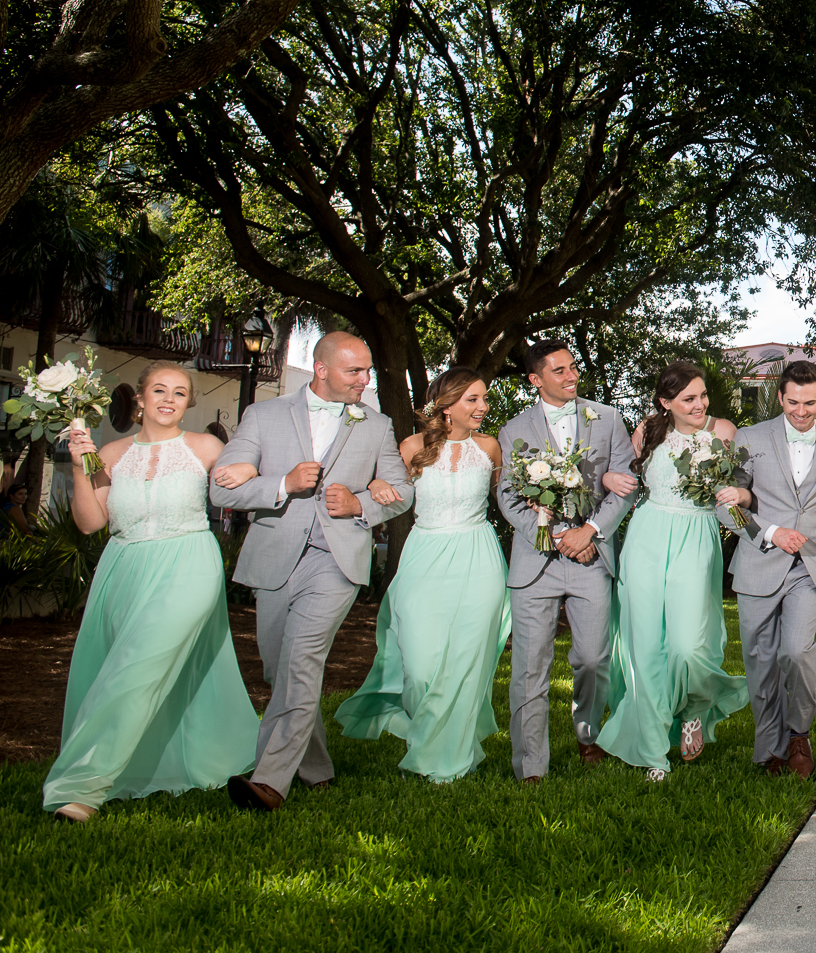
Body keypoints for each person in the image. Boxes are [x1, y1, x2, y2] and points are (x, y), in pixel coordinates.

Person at [43, 362, 257, 822]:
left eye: (180, 393)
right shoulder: (112, 452)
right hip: (124, 568)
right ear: (139, 399)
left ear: (188, 403)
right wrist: (83, 468)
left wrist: (254, 473)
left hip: (189, 564)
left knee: (135, 669)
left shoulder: (207, 446)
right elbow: (90, 522)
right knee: (127, 667)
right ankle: (151, 762)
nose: (168, 399)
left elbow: (246, 485)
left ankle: (82, 789)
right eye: (159, 390)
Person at [209, 332, 412, 810]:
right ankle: (315, 767)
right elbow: (223, 491)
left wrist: (359, 503)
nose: (366, 380)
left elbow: (402, 491)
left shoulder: (377, 425)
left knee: (301, 660)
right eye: (354, 371)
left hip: (336, 561)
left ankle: (269, 780)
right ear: (321, 369)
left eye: (367, 370)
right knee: (280, 668)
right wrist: (281, 483)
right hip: (274, 556)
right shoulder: (262, 415)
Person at [334, 367, 510, 782]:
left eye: (484, 398)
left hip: (477, 554)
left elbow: (506, 504)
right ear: (446, 406)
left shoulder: (490, 448)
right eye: (473, 399)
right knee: (420, 664)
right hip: (424, 554)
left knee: (467, 659)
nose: (483, 407)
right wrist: (377, 483)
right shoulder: (412, 446)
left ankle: (447, 756)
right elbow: (395, 496)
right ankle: (427, 728)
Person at [599, 361, 751, 780]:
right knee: (646, 645)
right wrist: (610, 477)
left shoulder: (723, 432)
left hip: (697, 539)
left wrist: (738, 496)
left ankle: (695, 708)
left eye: (703, 395)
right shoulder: (648, 430)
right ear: (665, 403)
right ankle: (651, 752)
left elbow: (739, 492)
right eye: (689, 398)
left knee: (689, 646)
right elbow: (627, 482)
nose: (700, 404)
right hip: (647, 537)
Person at [496, 340, 637, 784]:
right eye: (559, 370)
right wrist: (555, 534)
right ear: (536, 380)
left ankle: (588, 732)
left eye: (573, 367)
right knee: (530, 665)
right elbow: (506, 495)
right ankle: (531, 764)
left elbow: (625, 485)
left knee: (593, 658)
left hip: (592, 556)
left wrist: (590, 532)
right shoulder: (513, 429)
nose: (571, 375)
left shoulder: (609, 418)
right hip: (535, 560)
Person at [727, 359, 816, 778]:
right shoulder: (749, 439)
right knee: (760, 658)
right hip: (757, 561)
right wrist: (770, 532)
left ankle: (798, 734)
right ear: (781, 397)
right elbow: (725, 503)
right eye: (792, 402)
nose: (800, 411)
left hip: (810, 565)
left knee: (797, 652)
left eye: (809, 403)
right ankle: (770, 746)